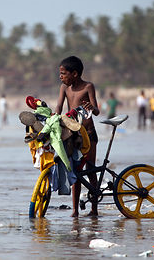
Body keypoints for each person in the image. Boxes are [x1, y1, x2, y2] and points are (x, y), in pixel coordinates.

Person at [55, 56, 100, 217]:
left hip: (88, 134)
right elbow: (59, 107)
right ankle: (75, 211)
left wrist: (91, 107)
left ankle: (94, 209)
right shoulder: (64, 88)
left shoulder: (88, 86)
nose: (60, 76)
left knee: (91, 170)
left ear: (74, 73)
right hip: (73, 135)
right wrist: (53, 117)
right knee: (75, 172)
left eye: (63, 73)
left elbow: (96, 111)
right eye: (60, 73)